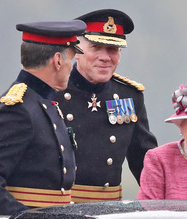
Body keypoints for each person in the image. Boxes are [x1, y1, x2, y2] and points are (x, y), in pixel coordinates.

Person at [0, 21, 84, 216]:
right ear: (57, 60)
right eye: (71, 59)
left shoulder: (42, 102)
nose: (71, 68)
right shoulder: (17, 109)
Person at [55, 9, 158, 202]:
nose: (105, 57)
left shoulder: (128, 96)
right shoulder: (54, 91)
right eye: (96, 47)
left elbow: (145, 163)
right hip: (61, 211)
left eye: (112, 50)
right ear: (76, 51)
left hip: (108, 212)